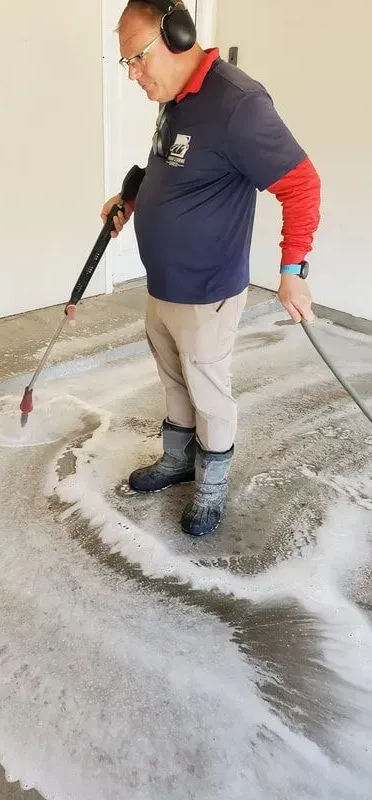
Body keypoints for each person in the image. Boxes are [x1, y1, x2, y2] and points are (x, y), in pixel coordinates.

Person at [101, 0, 321, 536]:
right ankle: (178, 462)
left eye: (136, 58)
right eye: (124, 62)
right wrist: (130, 199)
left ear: (176, 36)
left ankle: (212, 487)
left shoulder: (238, 104)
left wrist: (293, 268)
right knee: (174, 380)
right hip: (165, 285)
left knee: (208, 391)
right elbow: (170, 168)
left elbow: (301, 184)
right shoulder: (175, 98)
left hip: (207, 292)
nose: (132, 74)